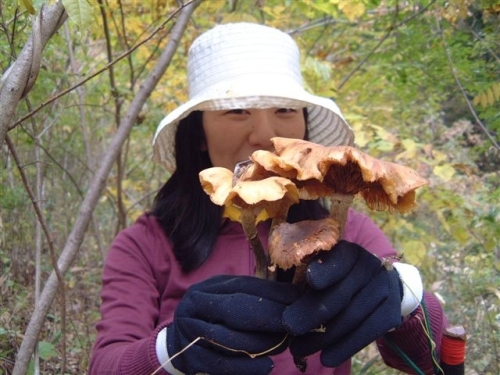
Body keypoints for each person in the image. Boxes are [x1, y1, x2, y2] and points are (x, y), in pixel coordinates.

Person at [89, 22, 448, 375]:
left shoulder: (343, 227)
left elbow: (436, 358)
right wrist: (172, 349)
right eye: (237, 110)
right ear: (198, 134)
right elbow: (106, 366)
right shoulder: (146, 244)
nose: (264, 135)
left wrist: (403, 295)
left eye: (285, 111)